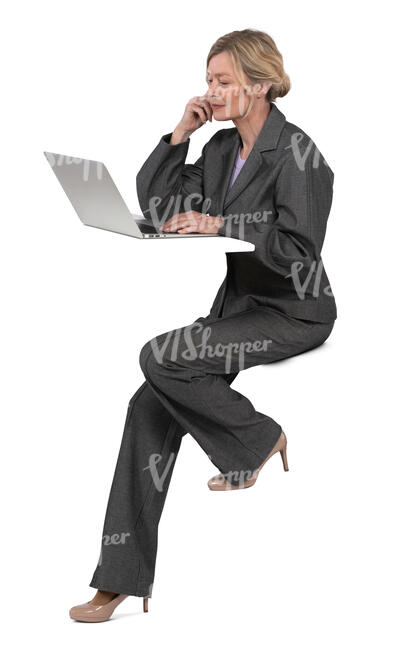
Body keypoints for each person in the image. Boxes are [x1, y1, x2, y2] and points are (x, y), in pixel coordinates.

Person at [69, 28, 337, 623]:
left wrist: (220, 226)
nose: (210, 91)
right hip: (240, 309)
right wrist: (179, 136)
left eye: (223, 81)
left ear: (260, 84)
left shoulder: (299, 153)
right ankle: (119, 578)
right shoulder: (218, 150)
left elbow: (300, 250)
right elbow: (161, 206)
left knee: (160, 355)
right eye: (208, 80)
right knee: (145, 409)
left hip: (293, 311)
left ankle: (257, 439)